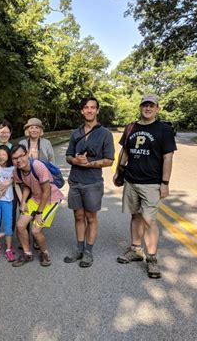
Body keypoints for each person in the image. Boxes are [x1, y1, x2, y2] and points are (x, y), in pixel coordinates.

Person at [114, 94, 176, 279]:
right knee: (135, 216)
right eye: (144, 105)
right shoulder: (131, 127)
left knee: (149, 220)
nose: (147, 108)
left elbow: (168, 157)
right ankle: (135, 249)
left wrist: (165, 183)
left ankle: (152, 258)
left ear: (157, 108)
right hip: (132, 180)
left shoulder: (164, 130)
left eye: (151, 105)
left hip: (151, 183)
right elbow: (124, 151)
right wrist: (119, 171)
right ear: (140, 107)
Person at [64, 97, 115, 268]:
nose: (89, 110)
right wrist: (75, 161)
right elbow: (68, 156)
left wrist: (90, 164)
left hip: (93, 182)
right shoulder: (76, 133)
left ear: (97, 110)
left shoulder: (105, 134)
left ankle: (88, 252)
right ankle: (79, 249)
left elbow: (109, 160)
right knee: (78, 216)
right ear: (82, 111)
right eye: (86, 107)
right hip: (75, 181)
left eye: (93, 108)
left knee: (91, 217)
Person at [11, 144, 64, 267]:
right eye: (15, 158)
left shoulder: (37, 166)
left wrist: (39, 213)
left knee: (35, 230)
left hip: (50, 199)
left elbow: (47, 191)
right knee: (20, 225)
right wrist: (23, 202)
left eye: (21, 156)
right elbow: (26, 186)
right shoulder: (16, 172)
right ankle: (27, 253)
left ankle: (44, 253)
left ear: (27, 154)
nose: (19, 160)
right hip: (35, 198)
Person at [0, 145, 21, 263]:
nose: (1, 157)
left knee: (8, 224)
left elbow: (14, 182)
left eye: (4, 154)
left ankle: (9, 249)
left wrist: (5, 187)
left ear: (9, 156)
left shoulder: (13, 169)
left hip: (8, 200)